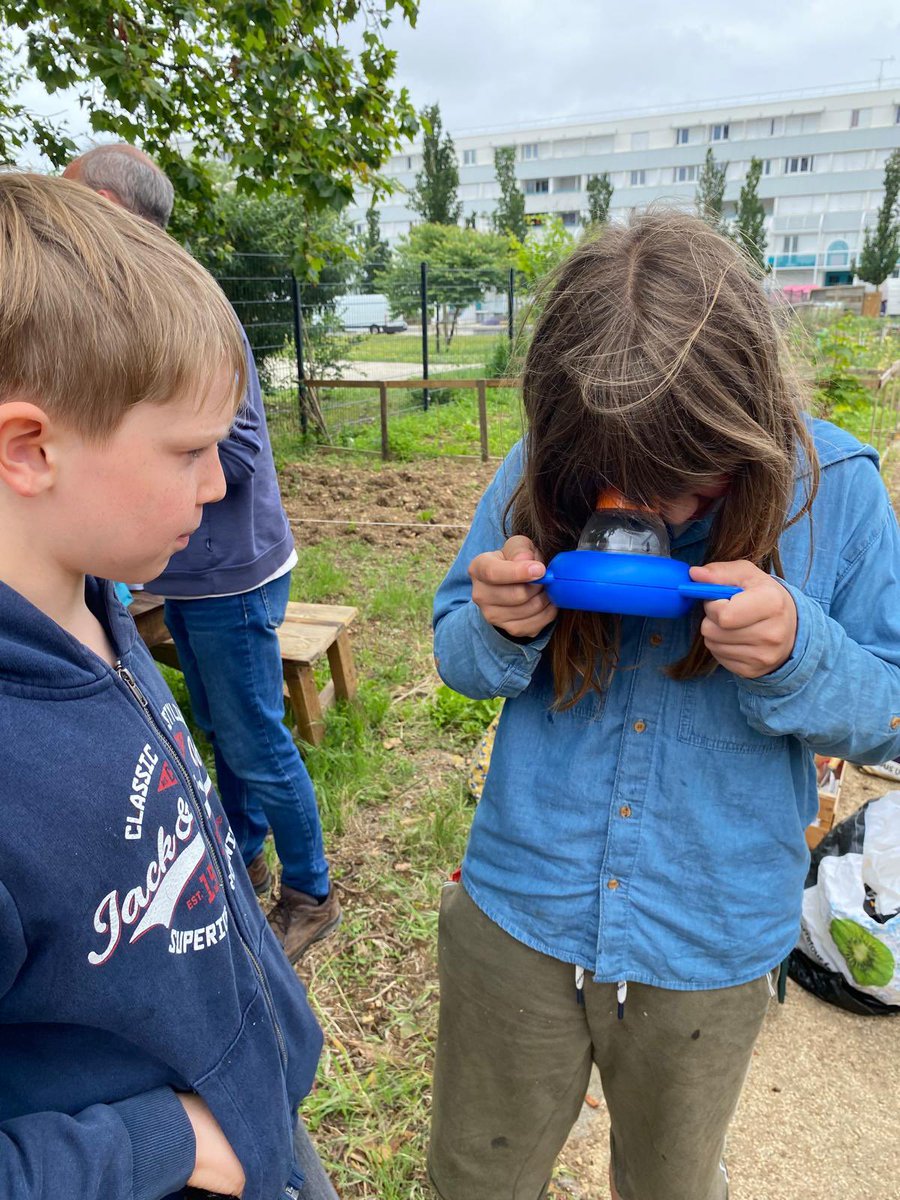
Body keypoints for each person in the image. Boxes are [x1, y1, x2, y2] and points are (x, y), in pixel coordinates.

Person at [428, 210, 900, 1200]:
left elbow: (890, 712)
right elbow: (455, 656)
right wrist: (498, 628)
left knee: (672, 1186)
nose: (645, 507)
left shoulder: (840, 492)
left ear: (750, 420)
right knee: (476, 1175)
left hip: (708, 940)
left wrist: (799, 654)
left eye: (684, 480)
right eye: (610, 476)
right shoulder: (534, 473)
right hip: (521, 916)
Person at [0, 171, 338, 1200]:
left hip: (251, 1119)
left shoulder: (93, 597)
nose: (221, 480)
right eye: (189, 449)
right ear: (31, 446)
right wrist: (164, 1145)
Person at [64, 144, 340, 964]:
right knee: (219, 725)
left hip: (230, 577)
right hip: (180, 573)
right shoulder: (130, 312)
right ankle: (242, 855)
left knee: (254, 735)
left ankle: (311, 891)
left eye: (75, 205)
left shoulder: (190, 309)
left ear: (114, 209)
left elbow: (242, 457)